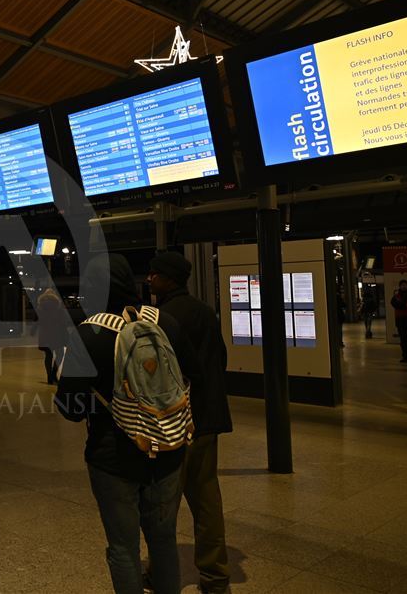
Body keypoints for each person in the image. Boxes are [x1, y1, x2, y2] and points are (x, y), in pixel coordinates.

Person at [55, 253, 202, 594]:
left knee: (123, 547)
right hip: (167, 447)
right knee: (163, 540)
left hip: (114, 456)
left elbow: (69, 407)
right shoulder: (164, 321)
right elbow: (192, 373)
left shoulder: (88, 334)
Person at [148, 251, 233, 594]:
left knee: (162, 505)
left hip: (175, 423)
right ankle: (215, 578)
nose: (149, 278)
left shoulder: (161, 317)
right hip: (208, 419)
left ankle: (161, 574)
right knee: (207, 500)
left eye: (156, 274)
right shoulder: (205, 312)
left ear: (170, 279)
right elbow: (220, 360)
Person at [37, 289, 68, 385]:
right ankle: (54, 374)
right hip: (57, 334)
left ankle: (49, 377)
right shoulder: (58, 306)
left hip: (45, 334)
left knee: (48, 355)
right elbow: (63, 322)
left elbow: (38, 320)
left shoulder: (40, 307)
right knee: (60, 354)